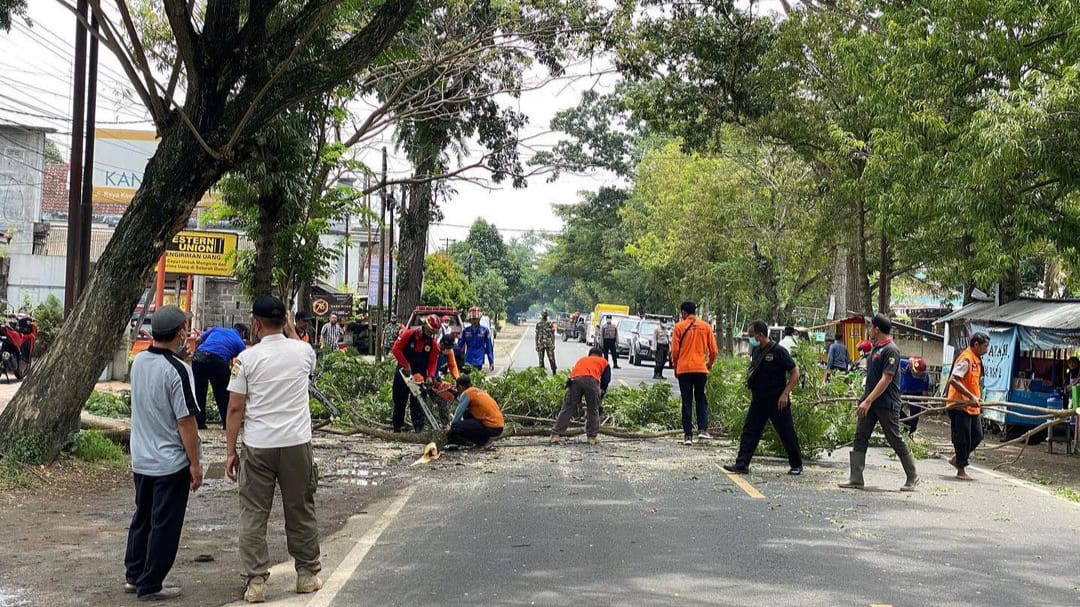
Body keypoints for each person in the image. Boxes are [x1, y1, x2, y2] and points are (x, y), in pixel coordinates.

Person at [225, 296, 322, 603]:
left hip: (258, 446)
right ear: (286, 322)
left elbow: (235, 409)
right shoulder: (304, 352)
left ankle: (255, 583)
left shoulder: (244, 360)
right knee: (300, 508)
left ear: (255, 323)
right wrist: (292, 329)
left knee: (254, 513)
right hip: (296, 444)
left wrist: (230, 451)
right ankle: (307, 575)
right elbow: (302, 353)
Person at [124, 305, 203, 602]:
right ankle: (151, 583)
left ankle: (133, 575)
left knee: (142, 516)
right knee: (165, 525)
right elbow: (185, 420)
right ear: (180, 332)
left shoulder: (140, 361)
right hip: (169, 462)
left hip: (141, 458)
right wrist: (195, 464)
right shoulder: (179, 370)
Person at [839, 314, 919, 492]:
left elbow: (886, 379)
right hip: (870, 402)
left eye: (870, 327)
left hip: (886, 403)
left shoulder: (891, 350)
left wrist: (867, 401)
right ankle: (856, 478)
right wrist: (865, 399)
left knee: (893, 438)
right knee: (861, 436)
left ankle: (912, 475)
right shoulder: (876, 348)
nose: (869, 330)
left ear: (876, 328)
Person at [723, 320, 803, 475]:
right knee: (750, 431)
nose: (750, 338)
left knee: (786, 432)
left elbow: (795, 372)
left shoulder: (778, 351)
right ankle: (742, 464)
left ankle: (796, 465)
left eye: (752, 335)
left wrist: (785, 394)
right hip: (759, 400)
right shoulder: (756, 351)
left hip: (777, 400)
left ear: (760, 335)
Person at [671, 301, 718, 445]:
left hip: (684, 369)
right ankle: (703, 430)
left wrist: (675, 366)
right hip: (700, 369)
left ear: (684, 313)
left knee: (686, 401)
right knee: (700, 398)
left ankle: (688, 436)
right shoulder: (706, 327)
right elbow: (714, 351)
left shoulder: (679, 327)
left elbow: (674, 351)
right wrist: (708, 365)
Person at [946, 332, 990, 481]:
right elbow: (954, 380)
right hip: (959, 404)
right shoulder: (966, 358)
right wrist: (971, 396)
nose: (987, 349)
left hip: (971, 406)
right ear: (976, 345)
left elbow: (973, 382)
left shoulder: (977, 360)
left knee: (977, 436)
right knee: (962, 438)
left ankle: (957, 458)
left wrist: (977, 397)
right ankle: (961, 470)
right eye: (985, 346)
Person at [390, 314, 442, 432]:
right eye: (429, 331)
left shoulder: (432, 343)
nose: (430, 335)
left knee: (418, 403)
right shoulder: (409, 334)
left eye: (432, 333)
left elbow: (433, 361)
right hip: (404, 371)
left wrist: (430, 376)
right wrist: (405, 364)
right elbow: (396, 349)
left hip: (420, 374)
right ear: (424, 326)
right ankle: (397, 427)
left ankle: (418, 429)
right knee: (399, 400)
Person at [191, 322, 248, 429]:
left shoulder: (217, 329)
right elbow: (243, 361)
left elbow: (198, 340)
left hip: (199, 358)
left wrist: (195, 354)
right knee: (223, 394)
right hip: (217, 361)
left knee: (199, 391)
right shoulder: (240, 343)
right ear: (243, 333)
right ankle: (227, 423)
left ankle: (199, 422)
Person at [550, 347, 611, 445]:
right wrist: (599, 398)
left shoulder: (582, 360)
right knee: (593, 409)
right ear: (601, 356)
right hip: (591, 380)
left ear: (590, 355)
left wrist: (577, 402)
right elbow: (605, 381)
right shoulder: (604, 362)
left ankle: (555, 435)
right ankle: (591, 437)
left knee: (567, 408)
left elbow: (575, 377)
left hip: (574, 380)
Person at [448, 375, 505, 449]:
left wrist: (452, 428)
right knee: (467, 414)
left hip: (491, 427)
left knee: (455, 427)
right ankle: (482, 441)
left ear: (461, 387)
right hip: (499, 426)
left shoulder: (467, 393)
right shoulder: (478, 391)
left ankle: (485, 441)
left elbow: (458, 414)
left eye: (457, 388)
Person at [899, 357, 930, 436]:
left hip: (916, 393)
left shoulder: (925, 376)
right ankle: (907, 424)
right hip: (903, 392)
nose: (919, 375)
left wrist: (925, 404)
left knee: (915, 416)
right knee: (896, 410)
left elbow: (924, 391)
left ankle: (911, 432)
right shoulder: (903, 364)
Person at [458, 306, 495, 371]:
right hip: (468, 359)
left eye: (476, 319)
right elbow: (459, 345)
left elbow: (489, 347)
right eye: (473, 319)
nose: (475, 321)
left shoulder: (485, 330)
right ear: (470, 319)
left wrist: (491, 361)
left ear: (479, 319)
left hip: (479, 360)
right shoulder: (466, 331)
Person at [535, 310, 557, 375]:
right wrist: (536, 345)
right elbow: (536, 335)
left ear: (546, 315)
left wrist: (553, 344)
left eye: (545, 314)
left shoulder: (550, 324)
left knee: (551, 358)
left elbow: (553, 334)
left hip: (549, 344)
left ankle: (554, 372)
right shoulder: (538, 324)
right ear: (542, 315)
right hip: (541, 344)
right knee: (541, 360)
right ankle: (542, 373)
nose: (544, 316)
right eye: (543, 314)